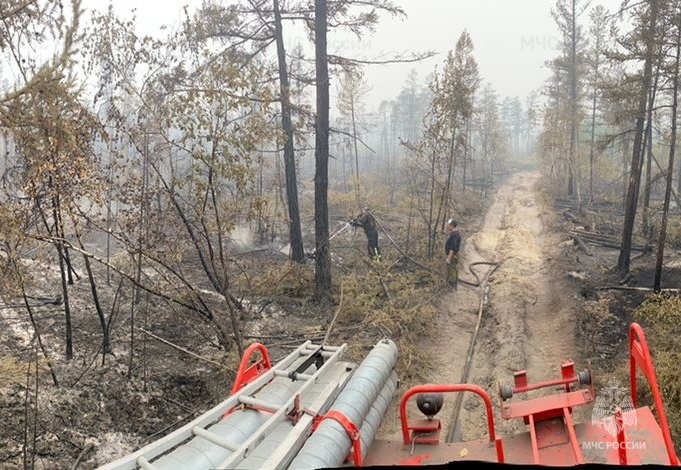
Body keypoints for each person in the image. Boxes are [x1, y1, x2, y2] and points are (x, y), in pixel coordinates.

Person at [445, 218, 462, 289]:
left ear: (452, 225)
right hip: (454, 255)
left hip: (453, 255)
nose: (447, 226)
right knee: (454, 268)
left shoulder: (454, 235)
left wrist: (449, 257)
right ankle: (454, 284)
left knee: (452, 269)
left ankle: (451, 286)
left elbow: (453, 247)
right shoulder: (455, 233)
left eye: (448, 224)